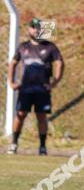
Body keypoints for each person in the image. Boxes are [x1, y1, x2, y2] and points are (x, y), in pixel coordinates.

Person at [6, 18, 64, 155]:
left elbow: (59, 63)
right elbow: (13, 63)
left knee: (41, 116)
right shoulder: (23, 46)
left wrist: (54, 83)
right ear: (29, 29)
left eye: (38, 27)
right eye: (33, 27)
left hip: (42, 89)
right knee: (20, 114)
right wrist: (11, 81)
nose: (35, 30)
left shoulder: (50, 47)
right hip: (26, 89)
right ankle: (14, 143)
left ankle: (42, 147)